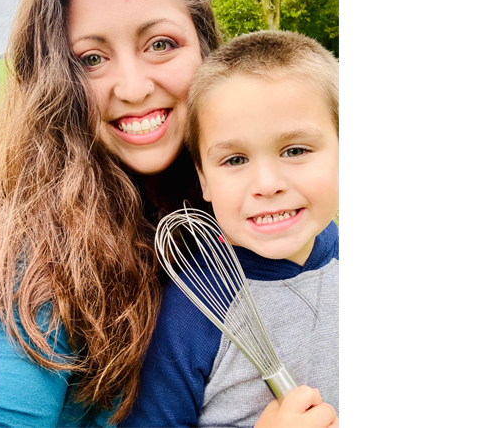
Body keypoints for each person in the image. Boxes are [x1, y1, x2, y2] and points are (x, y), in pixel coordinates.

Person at [0, 0, 333, 427]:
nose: (134, 89)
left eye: (160, 43)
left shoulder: (249, 219)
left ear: (205, 48)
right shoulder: (37, 265)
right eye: (92, 59)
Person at [123, 30, 340, 427]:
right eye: (235, 159)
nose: (266, 183)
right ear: (203, 179)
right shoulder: (193, 311)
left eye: (295, 150)